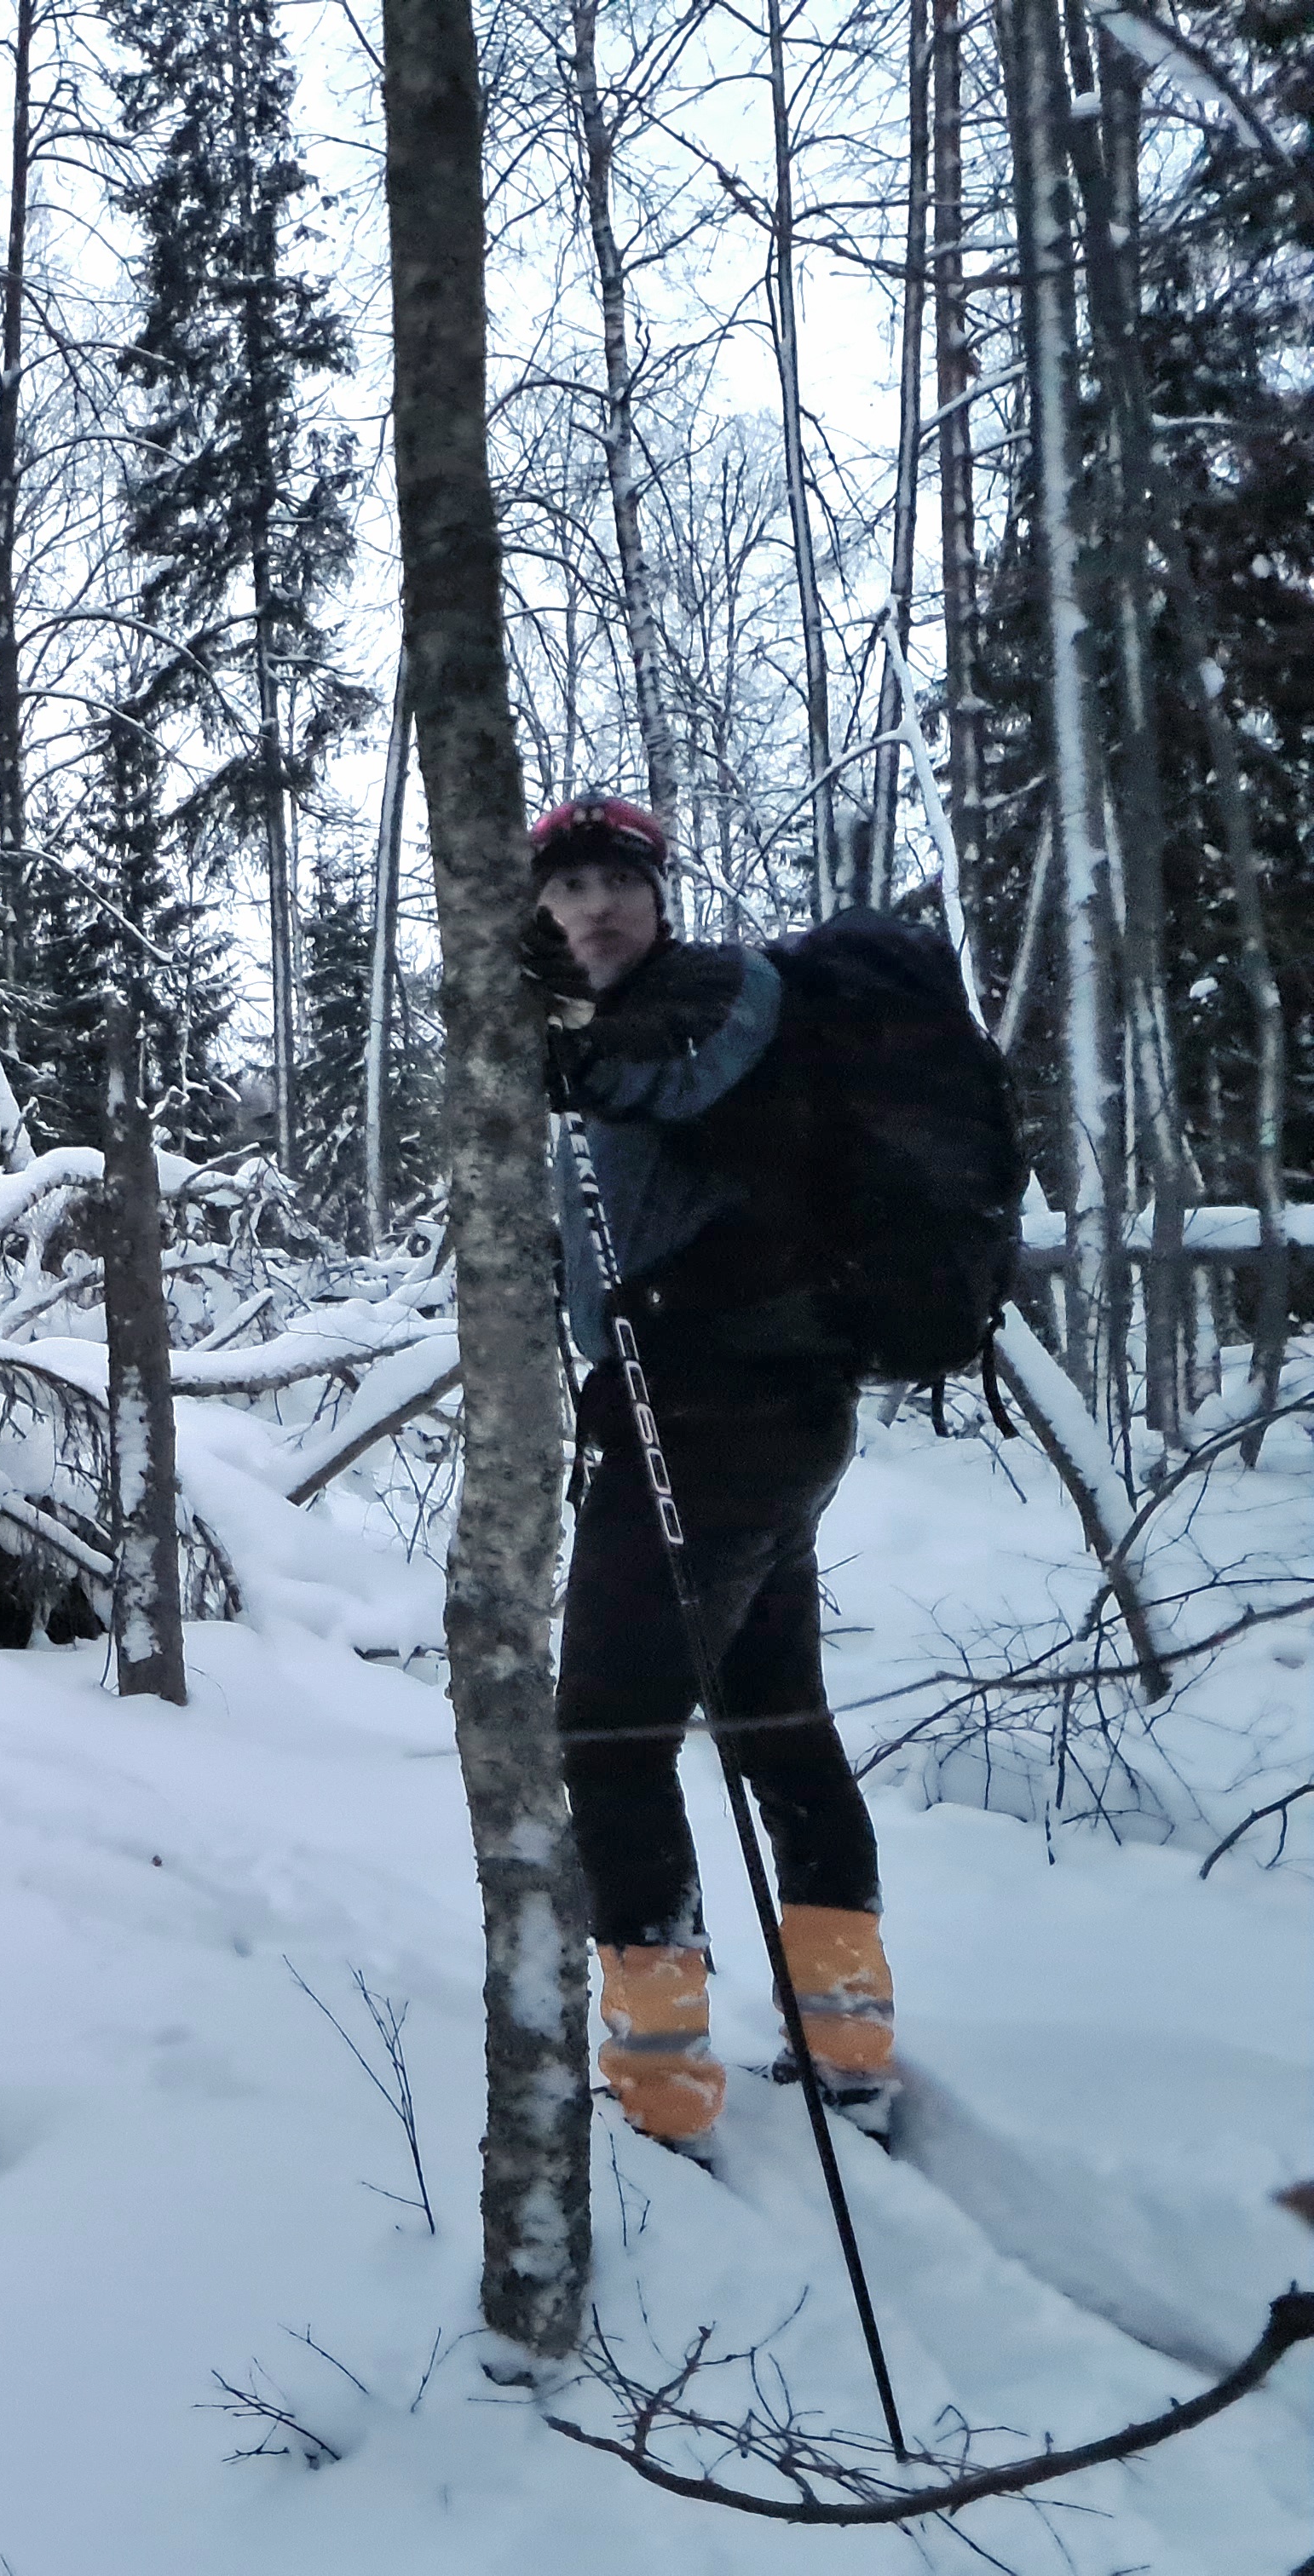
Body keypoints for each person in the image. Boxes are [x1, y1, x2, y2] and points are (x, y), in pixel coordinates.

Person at [519, 793, 898, 2154]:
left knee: (609, 1735)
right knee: (773, 1719)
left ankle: (663, 2079)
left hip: (724, 1418)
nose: (594, 908)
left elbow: (668, 1079)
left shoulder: (725, 991)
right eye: (567, 888)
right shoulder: (603, 1023)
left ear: (659, 889)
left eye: (616, 881)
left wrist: (559, 1043)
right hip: (715, 1411)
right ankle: (848, 2041)